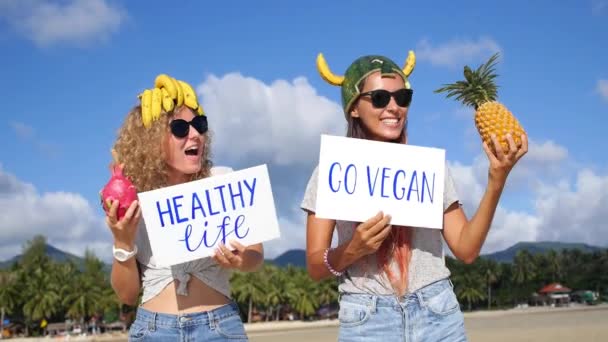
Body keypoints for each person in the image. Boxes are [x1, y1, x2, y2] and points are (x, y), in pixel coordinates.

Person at [301, 51, 528, 341]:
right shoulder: (331, 171)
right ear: (354, 108)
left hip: (438, 312)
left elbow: (466, 250)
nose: (394, 107)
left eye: (403, 98)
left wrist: (497, 180)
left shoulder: (429, 170)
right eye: (380, 98)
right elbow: (315, 267)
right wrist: (354, 248)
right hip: (367, 319)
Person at [104, 73, 264, 341]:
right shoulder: (134, 200)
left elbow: (256, 256)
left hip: (220, 327)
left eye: (199, 125)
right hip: (154, 331)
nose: (195, 135)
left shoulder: (222, 180)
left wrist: (241, 259)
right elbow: (127, 295)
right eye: (180, 128)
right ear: (151, 139)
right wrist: (122, 242)